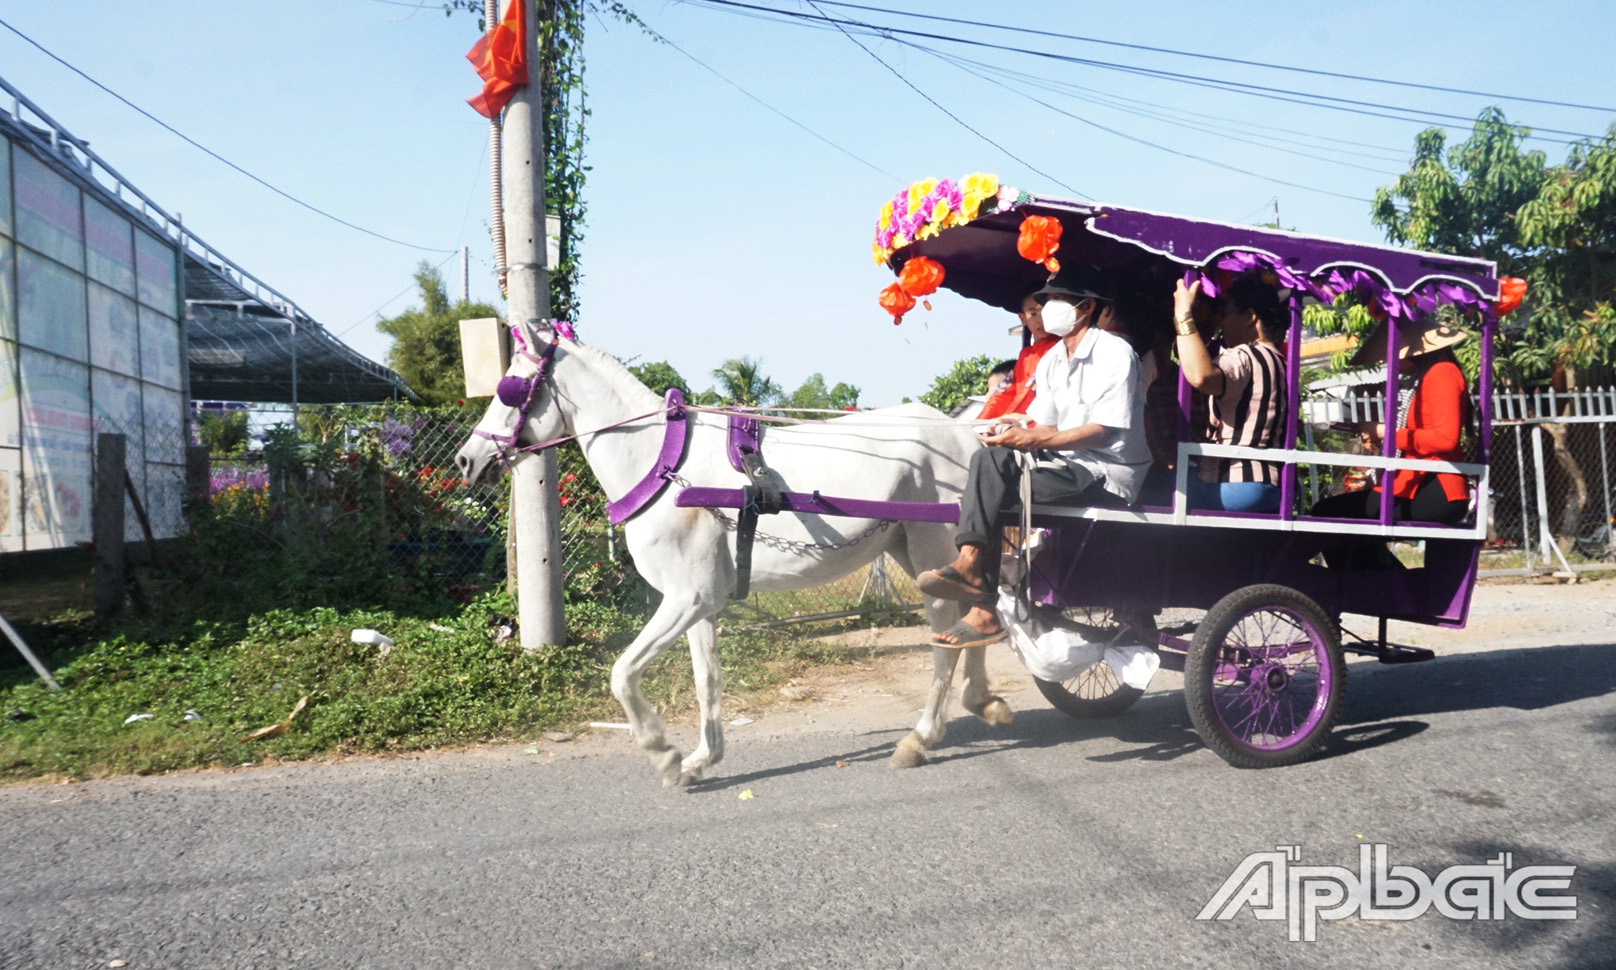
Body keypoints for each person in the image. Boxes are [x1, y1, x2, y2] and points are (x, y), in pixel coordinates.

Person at [918, 264, 1152, 647]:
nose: (1048, 308)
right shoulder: (1053, 360)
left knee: (989, 490)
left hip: (1105, 471)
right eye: (1045, 301)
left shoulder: (1115, 353)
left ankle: (981, 604)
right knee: (986, 462)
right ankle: (974, 577)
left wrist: (1034, 442)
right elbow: (1044, 426)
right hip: (1064, 463)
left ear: (1087, 306)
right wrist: (1014, 434)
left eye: (1057, 300)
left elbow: (1102, 432)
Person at [1310, 318, 1472, 528]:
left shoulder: (1441, 373)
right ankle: (1375, 562)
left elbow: (1445, 439)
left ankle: (1373, 563)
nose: (1384, 361)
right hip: (1415, 481)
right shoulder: (1420, 377)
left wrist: (1385, 432)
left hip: (1434, 486)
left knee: (1327, 512)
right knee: (1338, 512)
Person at [1172, 274, 1289, 513]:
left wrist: (1183, 315)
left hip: (1232, 483)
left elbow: (1201, 376)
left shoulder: (1244, 355)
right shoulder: (1282, 362)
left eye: (1226, 314)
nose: (1221, 323)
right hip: (1269, 485)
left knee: (1158, 489)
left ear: (1249, 317)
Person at [977, 286, 1061, 421]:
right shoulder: (1026, 354)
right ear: (1023, 318)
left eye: (1045, 312)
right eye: (1033, 314)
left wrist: (1011, 420)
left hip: (1041, 423)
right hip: (1017, 419)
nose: (1040, 320)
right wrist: (980, 422)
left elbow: (1030, 392)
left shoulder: (1061, 347)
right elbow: (1006, 392)